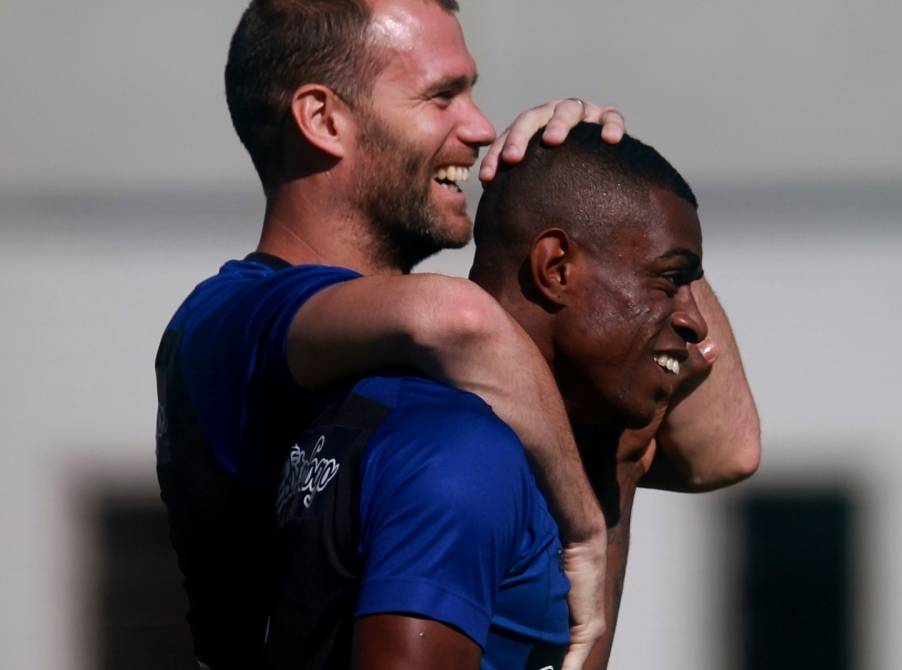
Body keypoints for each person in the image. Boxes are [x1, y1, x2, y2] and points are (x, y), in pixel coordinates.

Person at [155, 0, 758, 667]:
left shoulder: (473, 366)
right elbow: (456, 321)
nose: (480, 127)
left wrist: (620, 202)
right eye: (442, 96)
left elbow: (722, 448)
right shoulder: (226, 320)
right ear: (324, 119)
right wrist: (582, 530)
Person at [265, 123, 752, 670]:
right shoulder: (461, 454)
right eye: (670, 280)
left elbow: (734, 452)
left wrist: (620, 467)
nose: (693, 319)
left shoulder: (487, 435)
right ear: (556, 269)